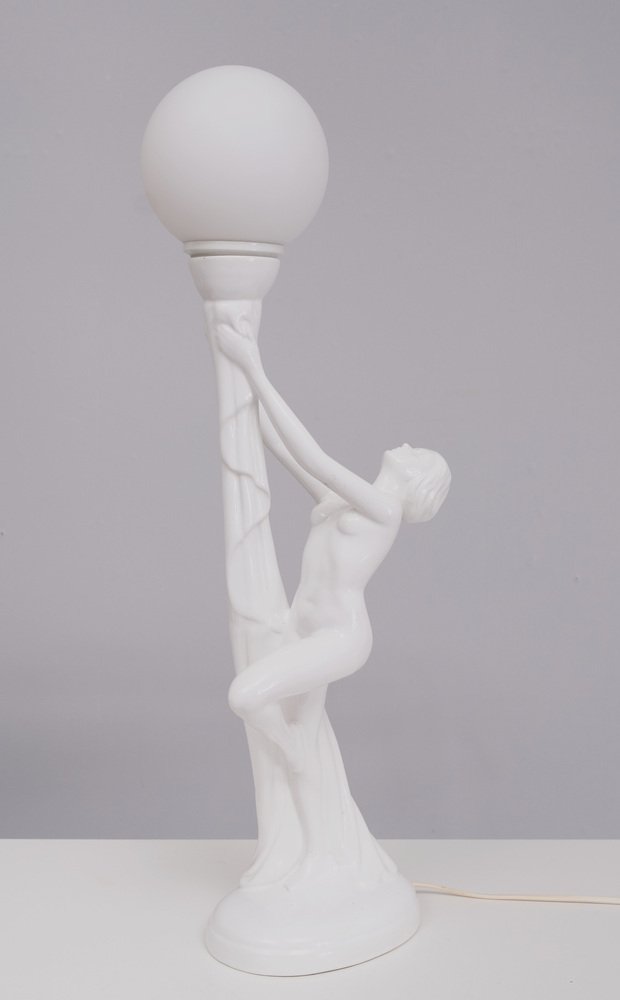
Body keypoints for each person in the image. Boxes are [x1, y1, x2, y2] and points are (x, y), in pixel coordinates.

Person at [215, 321, 451, 776]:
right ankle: (307, 792)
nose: (407, 445)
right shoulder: (341, 501)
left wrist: (253, 366)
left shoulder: (384, 510)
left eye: (417, 453)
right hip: (300, 626)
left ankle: (296, 756)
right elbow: (283, 450)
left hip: (339, 636)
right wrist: (234, 380)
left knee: (246, 699)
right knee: (296, 730)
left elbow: (314, 458)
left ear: (417, 480)